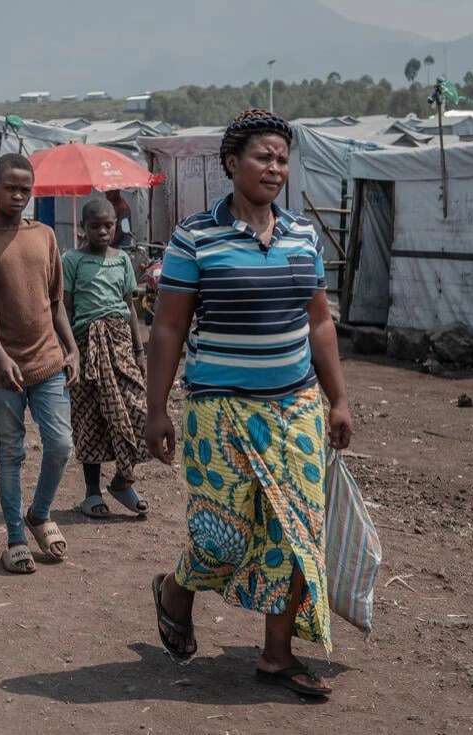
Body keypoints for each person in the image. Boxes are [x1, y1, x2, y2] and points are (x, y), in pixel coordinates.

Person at [145, 110, 353, 698]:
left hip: (295, 409)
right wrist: (156, 410)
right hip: (219, 412)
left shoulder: (302, 235)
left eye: (283, 159)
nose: (275, 168)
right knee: (223, 537)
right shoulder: (195, 237)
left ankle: (277, 656)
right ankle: (175, 591)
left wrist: (338, 398)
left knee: (296, 531)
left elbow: (319, 324)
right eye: (264, 156)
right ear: (232, 163)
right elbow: (168, 329)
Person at [0, 153, 80, 575]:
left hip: (48, 361)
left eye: (25, 189)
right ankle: (15, 538)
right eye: (10, 187)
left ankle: (39, 514)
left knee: (60, 445)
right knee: (10, 453)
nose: (18, 195)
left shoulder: (44, 235)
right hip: (2, 369)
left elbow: (55, 301)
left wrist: (72, 347)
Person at [63, 198, 151, 518]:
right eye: (95, 226)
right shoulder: (72, 260)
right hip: (86, 346)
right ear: (82, 228)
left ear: (116, 226)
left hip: (120, 344)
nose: (102, 231)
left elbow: (129, 307)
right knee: (90, 418)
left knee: (138, 411)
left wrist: (139, 350)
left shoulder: (123, 259)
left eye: (108, 225)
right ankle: (91, 494)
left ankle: (122, 482)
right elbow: (65, 308)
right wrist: (69, 350)